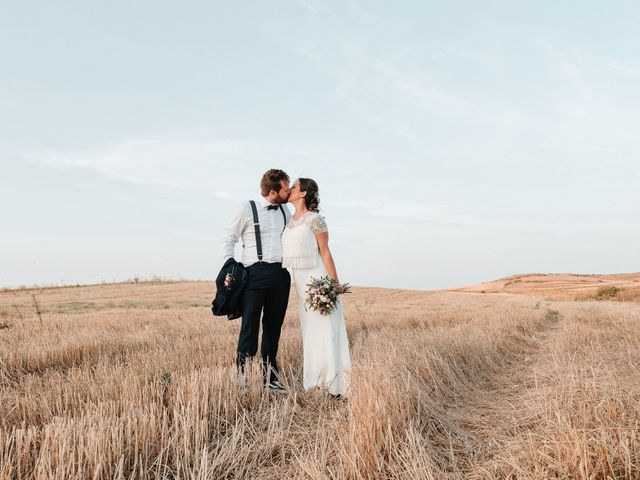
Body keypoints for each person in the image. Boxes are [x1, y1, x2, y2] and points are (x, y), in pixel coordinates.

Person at [220, 169, 292, 391]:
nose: (289, 191)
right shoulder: (246, 208)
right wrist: (229, 265)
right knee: (249, 325)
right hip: (253, 274)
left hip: (280, 274)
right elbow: (228, 237)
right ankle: (242, 377)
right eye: (285, 187)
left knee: (273, 327)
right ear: (273, 191)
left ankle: (269, 377)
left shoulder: (286, 210)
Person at [282, 178, 351, 397]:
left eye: (294, 186)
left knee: (326, 329)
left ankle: (333, 384)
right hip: (301, 284)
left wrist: (334, 284)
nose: (290, 189)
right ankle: (314, 381)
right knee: (310, 331)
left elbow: (325, 251)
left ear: (303, 193)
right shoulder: (289, 220)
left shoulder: (315, 220)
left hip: (318, 280)